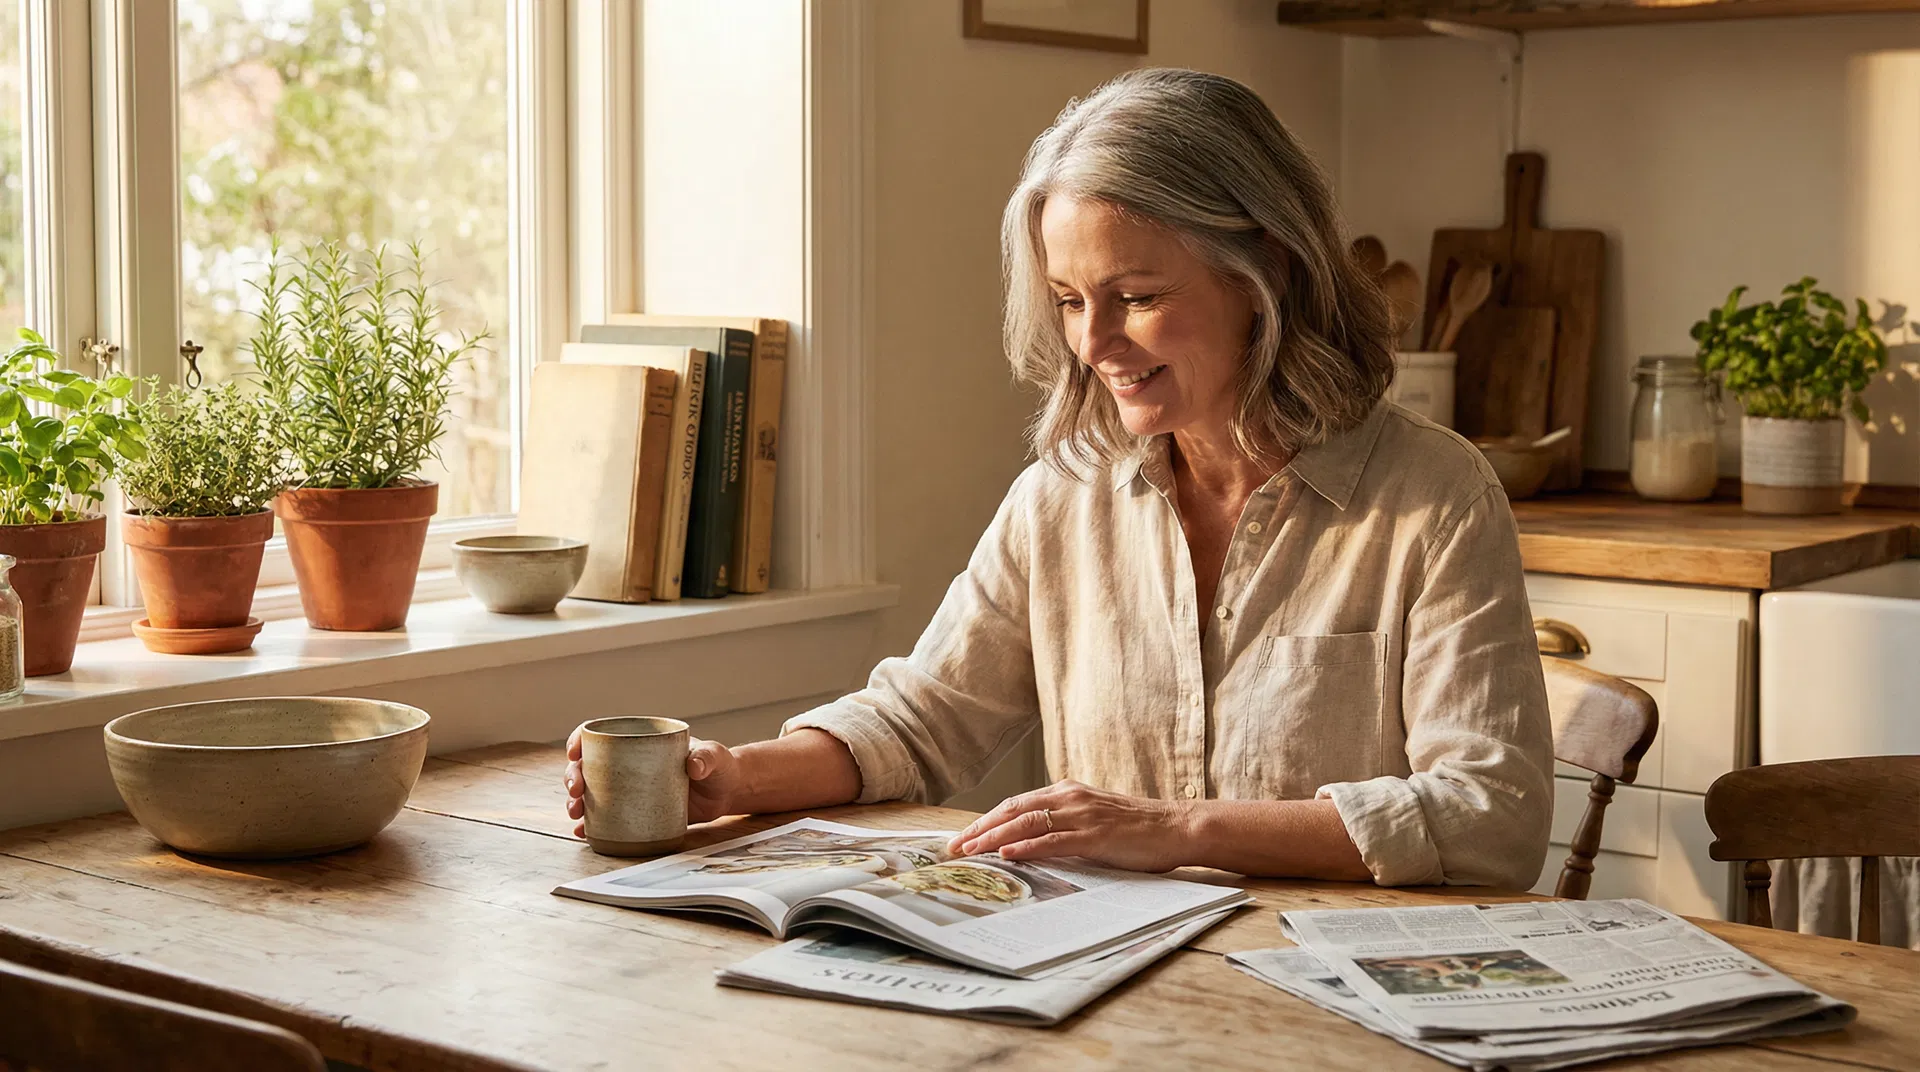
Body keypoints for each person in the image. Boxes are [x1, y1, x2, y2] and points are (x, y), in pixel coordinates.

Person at [565, 68, 1553, 888]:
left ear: (1272, 273)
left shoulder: (1435, 497)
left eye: (1138, 296)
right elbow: (924, 720)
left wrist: (1173, 829)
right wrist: (733, 775)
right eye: (1070, 299)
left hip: (1341, 1001)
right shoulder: (1064, 494)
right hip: (1112, 993)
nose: (1093, 343)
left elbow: (1489, 817)